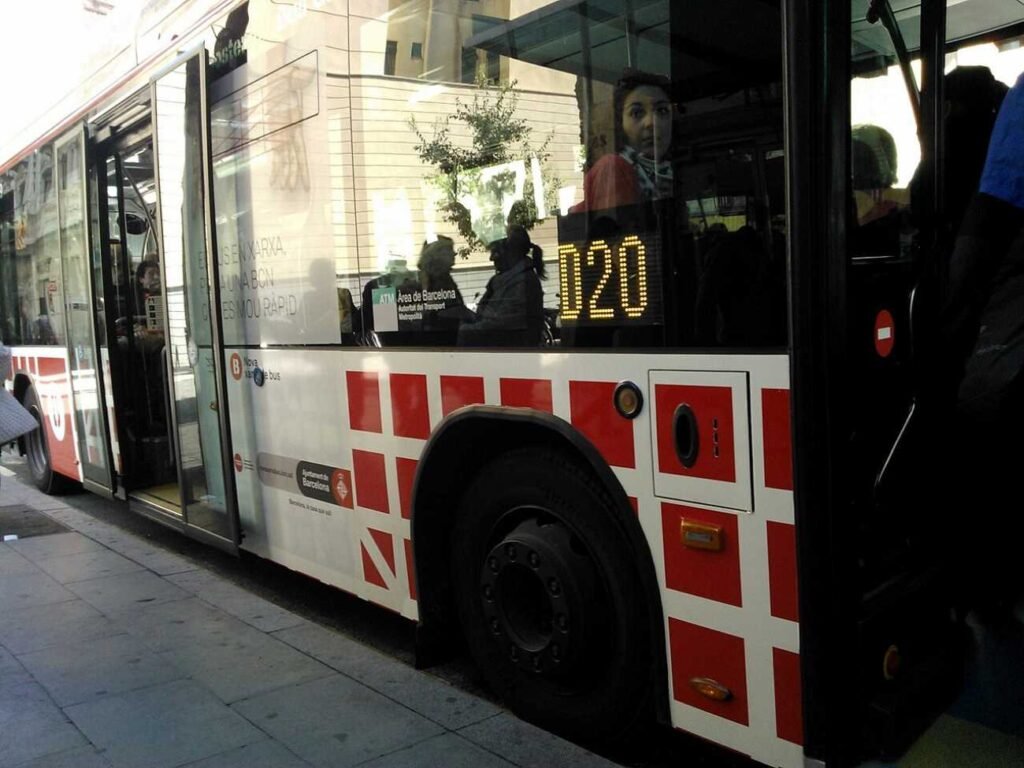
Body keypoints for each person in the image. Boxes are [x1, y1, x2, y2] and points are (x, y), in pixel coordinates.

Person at [571, 70, 674, 212]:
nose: (651, 122)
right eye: (637, 113)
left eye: (662, 111)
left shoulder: (673, 173)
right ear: (621, 122)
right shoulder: (614, 168)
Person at [458, 225, 545, 347]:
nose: (491, 258)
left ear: (512, 253)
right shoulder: (503, 281)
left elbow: (500, 324)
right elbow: (487, 317)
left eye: (496, 252)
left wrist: (463, 331)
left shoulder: (524, 282)